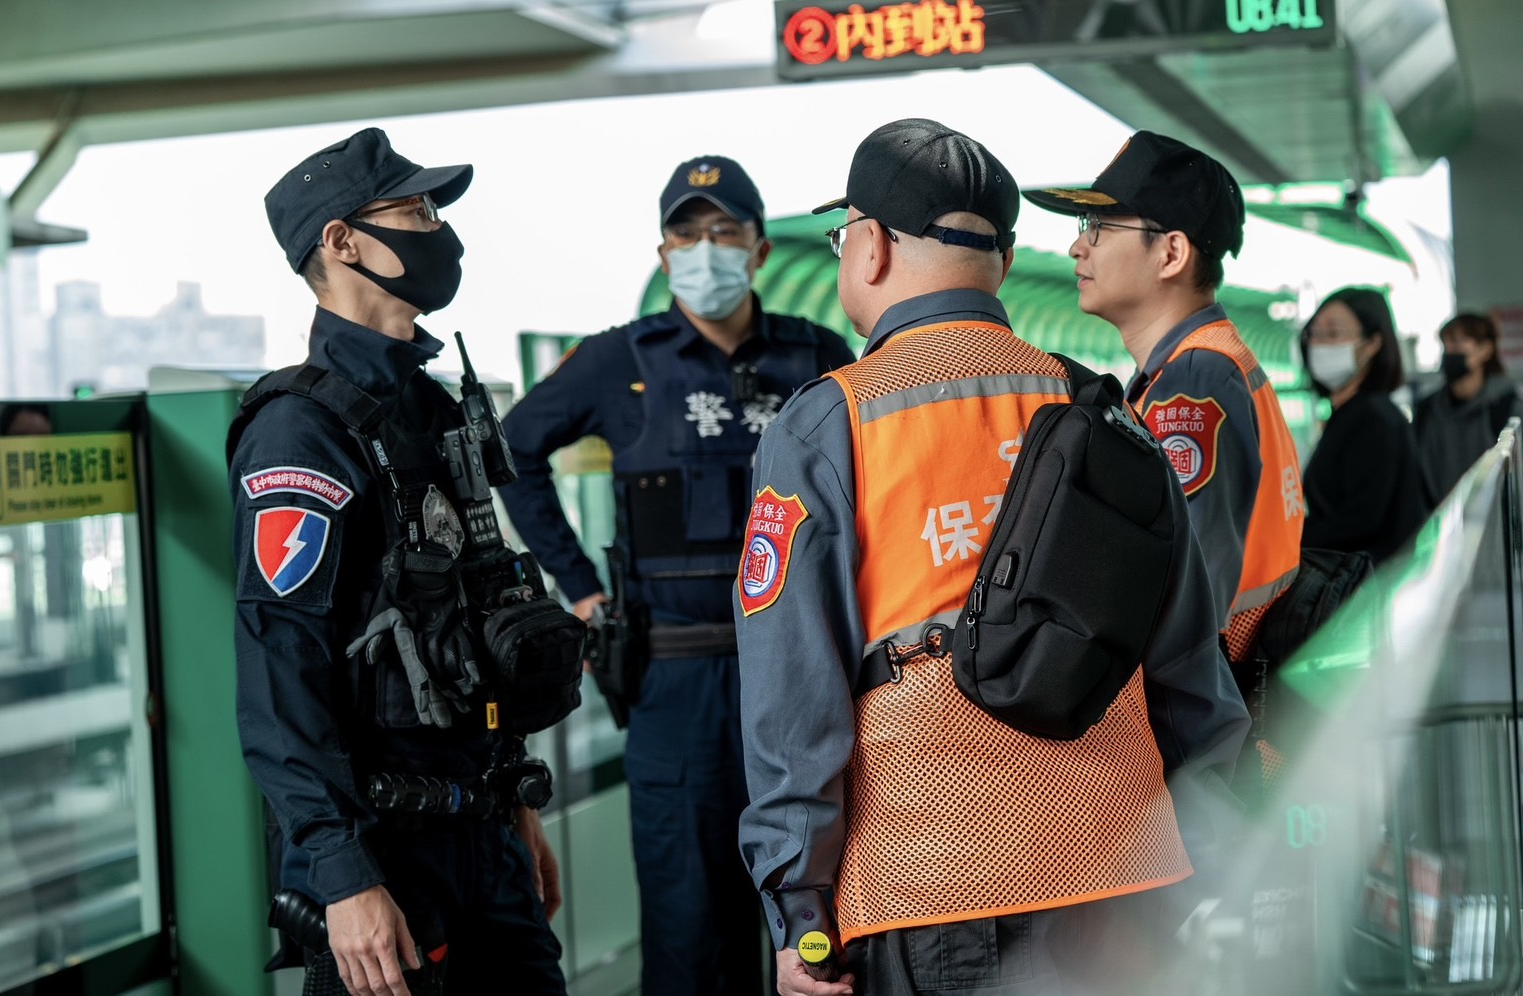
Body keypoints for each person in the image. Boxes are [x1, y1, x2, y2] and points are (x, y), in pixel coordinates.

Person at [736, 117, 1249, 996]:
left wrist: (801, 908)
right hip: (1123, 872)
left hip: (931, 882)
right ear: (1004, 263)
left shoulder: (830, 422)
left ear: (869, 248)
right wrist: (1208, 852)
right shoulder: (1101, 410)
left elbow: (795, 697)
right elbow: (1185, 661)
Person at [500, 155, 854, 995]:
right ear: (664, 256)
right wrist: (578, 586)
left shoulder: (816, 355)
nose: (705, 249)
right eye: (685, 235)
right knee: (689, 924)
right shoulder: (621, 360)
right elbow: (512, 449)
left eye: (723, 231)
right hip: (675, 680)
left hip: (805, 673)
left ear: (760, 250)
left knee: (823, 916)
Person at [231, 127, 572, 996]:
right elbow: (279, 670)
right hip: (383, 860)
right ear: (341, 241)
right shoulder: (299, 431)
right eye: (415, 211)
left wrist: (515, 802)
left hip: (484, 835)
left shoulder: (433, 407)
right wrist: (343, 875)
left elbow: (475, 620)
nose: (438, 231)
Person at [1024, 131, 1304, 670]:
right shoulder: (1202, 362)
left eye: (1100, 227)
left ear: (1171, 253)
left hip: (1213, 697)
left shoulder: (1195, 377)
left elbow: (1185, 594)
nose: (1078, 247)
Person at [1299, 287, 1430, 562]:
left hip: (1372, 578)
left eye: (1333, 333)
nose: (1319, 344)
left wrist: (1288, 538)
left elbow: (1361, 520)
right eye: (1314, 333)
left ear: (1371, 344)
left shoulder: (1374, 419)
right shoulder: (1348, 413)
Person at [1415, 312, 1523, 501]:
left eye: (1457, 342)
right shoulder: (1427, 409)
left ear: (1485, 350)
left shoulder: (1507, 408)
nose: (1449, 350)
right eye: (1445, 343)